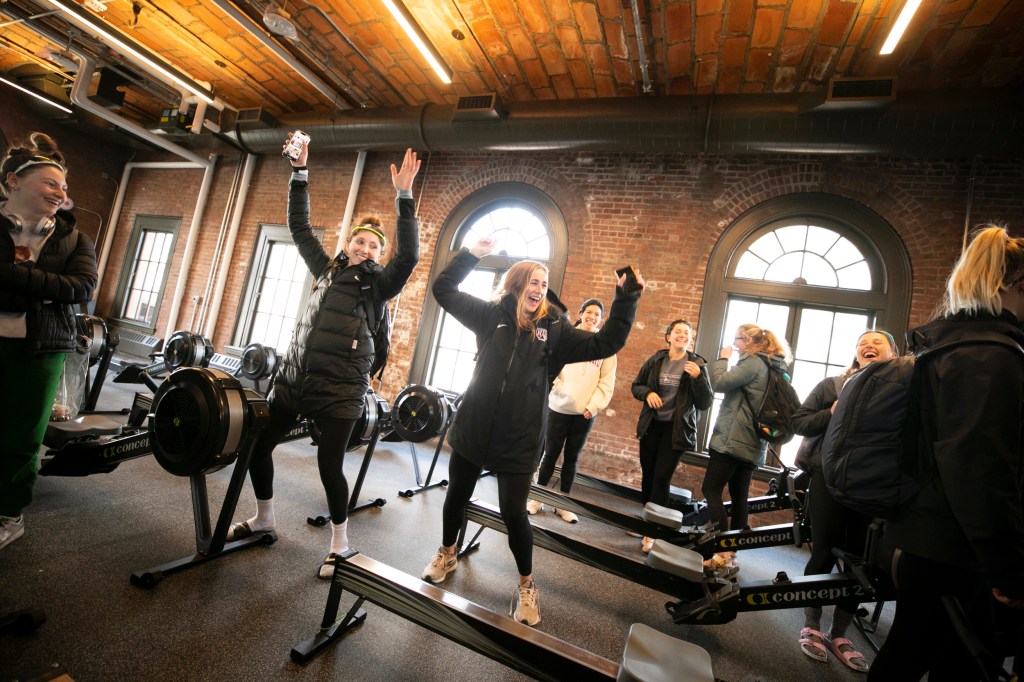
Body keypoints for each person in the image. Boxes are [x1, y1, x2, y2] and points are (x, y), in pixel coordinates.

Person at [420, 240, 643, 626]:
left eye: (544, 282)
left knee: (513, 514)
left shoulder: (557, 330)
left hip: (520, 438)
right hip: (474, 428)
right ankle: (447, 551)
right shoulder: (491, 316)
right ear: (517, 285)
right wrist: (471, 254)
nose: (539, 288)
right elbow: (443, 290)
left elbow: (608, 342)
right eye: (533, 282)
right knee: (455, 496)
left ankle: (526, 584)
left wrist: (625, 299)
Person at [228, 135, 422, 579]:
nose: (366, 249)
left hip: (340, 392)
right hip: (295, 381)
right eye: (360, 241)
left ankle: (340, 544)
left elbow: (408, 255)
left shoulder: (379, 285)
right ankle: (265, 518)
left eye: (374, 246)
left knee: (328, 466)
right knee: (258, 445)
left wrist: (404, 197)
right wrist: (300, 173)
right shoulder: (326, 269)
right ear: (348, 243)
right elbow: (299, 227)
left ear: (378, 255)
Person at [868, 225, 1024, 681]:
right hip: (950, 546)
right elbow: (980, 473)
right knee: (920, 658)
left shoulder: (956, 344)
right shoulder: (990, 357)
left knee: (949, 660)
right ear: (1017, 286)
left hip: (930, 536)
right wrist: (1011, 568)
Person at [0, 132, 97, 550]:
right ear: (14, 181)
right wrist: (45, 285)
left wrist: (11, 276)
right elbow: (61, 286)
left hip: (40, 350)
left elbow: (82, 287)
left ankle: (8, 514)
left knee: (22, 438)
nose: (60, 193)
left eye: (63, 187)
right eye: (50, 183)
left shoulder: (75, 239)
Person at [791, 330, 899, 673]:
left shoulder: (902, 392)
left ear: (894, 353)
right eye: (862, 342)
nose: (868, 345)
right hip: (829, 479)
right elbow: (798, 421)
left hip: (876, 486)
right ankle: (812, 625)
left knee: (861, 563)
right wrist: (831, 411)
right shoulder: (833, 385)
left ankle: (839, 634)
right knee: (823, 552)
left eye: (877, 342)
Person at [704, 323, 793, 571]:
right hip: (754, 445)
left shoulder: (753, 363)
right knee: (739, 497)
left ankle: (721, 551)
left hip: (732, 441)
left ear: (750, 342)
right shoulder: (774, 366)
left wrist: (722, 359)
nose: (734, 344)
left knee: (710, 490)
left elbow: (719, 383)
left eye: (737, 340)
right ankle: (731, 553)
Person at [528, 298, 617, 524]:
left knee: (571, 459)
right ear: (581, 313)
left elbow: (607, 382)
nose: (592, 317)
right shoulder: (567, 337)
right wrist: (557, 389)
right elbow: (550, 366)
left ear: (601, 319)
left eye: (597, 314)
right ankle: (538, 499)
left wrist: (593, 406)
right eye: (588, 312)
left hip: (585, 413)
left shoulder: (605, 346)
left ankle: (562, 505)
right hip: (558, 407)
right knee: (550, 455)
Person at [631, 319, 713, 553]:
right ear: (668, 337)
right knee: (648, 474)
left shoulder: (697, 365)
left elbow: (705, 402)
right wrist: (647, 393)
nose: (682, 335)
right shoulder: (656, 360)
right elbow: (636, 386)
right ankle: (647, 522)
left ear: (690, 339)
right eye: (677, 331)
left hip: (676, 431)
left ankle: (654, 532)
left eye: (686, 333)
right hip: (652, 426)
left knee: (661, 478)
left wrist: (698, 378)